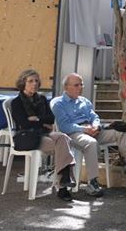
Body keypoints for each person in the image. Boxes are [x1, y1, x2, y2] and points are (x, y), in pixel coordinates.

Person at [51, 73, 126, 197]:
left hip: (92, 130)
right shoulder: (58, 104)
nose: (80, 87)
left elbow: (94, 116)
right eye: (76, 85)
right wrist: (84, 129)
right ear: (66, 87)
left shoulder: (84, 101)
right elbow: (65, 126)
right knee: (91, 143)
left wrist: (96, 126)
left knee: (120, 133)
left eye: (81, 84)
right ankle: (92, 182)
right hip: (73, 133)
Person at [11, 69, 77, 202]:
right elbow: (24, 123)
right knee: (62, 146)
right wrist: (42, 122)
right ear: (23, 83)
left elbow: (51, 119)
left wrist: (36, 119)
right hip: (28, 137)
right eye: (30, 81)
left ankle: (64, 180)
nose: (34, 84)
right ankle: (63, 186)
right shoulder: (17, 102)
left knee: (63, 138)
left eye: (36, 81)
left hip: (44, 133)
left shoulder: (41, 99)